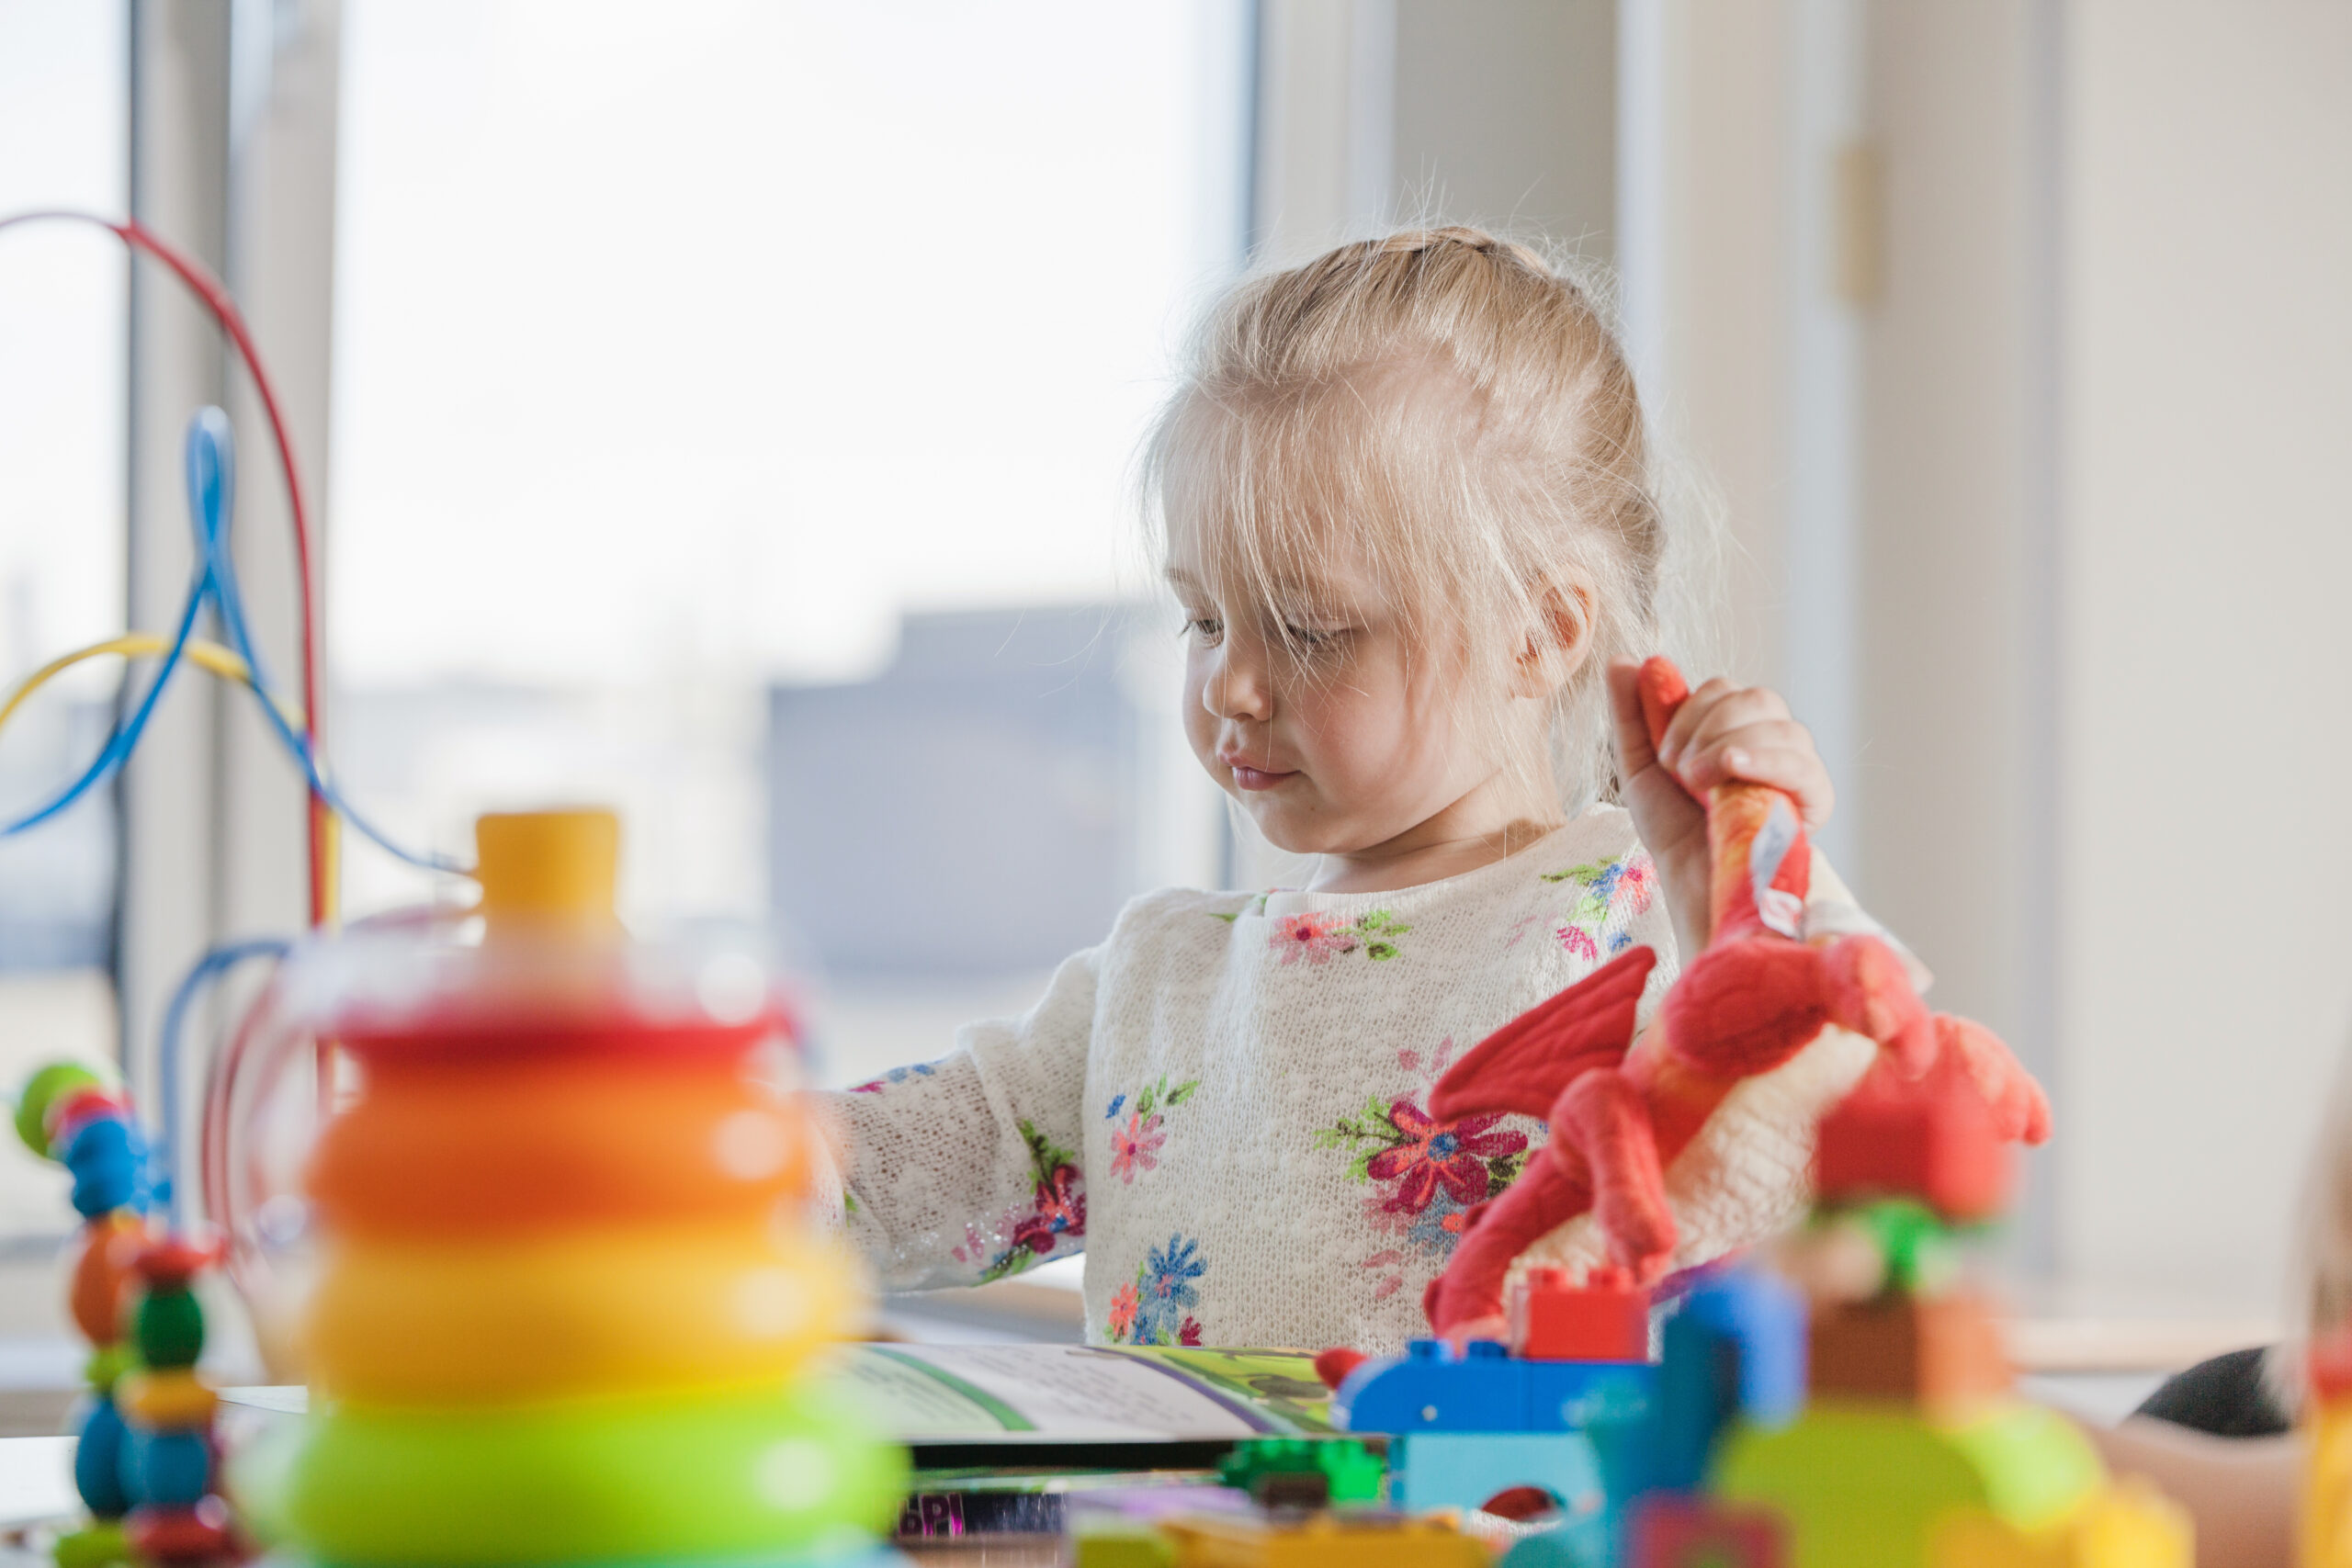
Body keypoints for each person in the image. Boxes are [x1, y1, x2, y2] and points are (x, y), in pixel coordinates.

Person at [818, 225, 1911, 1354]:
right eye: (1203, 619)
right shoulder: (1159, 978)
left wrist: (1746, 899)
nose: (1232, 683)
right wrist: (726, 1143)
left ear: (1537, 632)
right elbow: (936, 1156)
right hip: (1175, 1535)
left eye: (1308, 629)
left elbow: (1847, 1191)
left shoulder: (1626, 930)